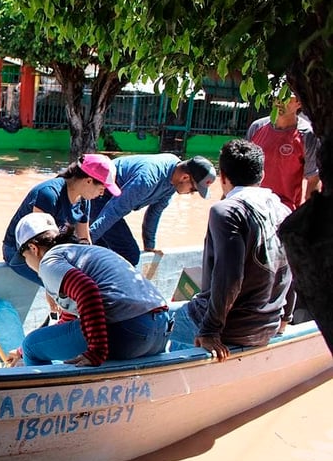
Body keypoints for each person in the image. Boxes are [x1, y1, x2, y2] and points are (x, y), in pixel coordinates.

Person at [169, 139, 294, 362]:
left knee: (169, 322)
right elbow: (293, 268)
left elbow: (229, 277)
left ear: (223, 177)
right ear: (262, 175)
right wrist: (286, 318)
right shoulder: (283, 210)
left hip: (231, 328)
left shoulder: (226, 211)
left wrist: (209, 331)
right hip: (268, 325)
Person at [5, 212, 170, 368]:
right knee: (29, 346)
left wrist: (96, 351)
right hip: (160, 331)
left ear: (34, 248)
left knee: (31, 346)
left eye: (25, 257)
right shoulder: (84, 252)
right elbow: (69, 320)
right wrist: (19, 352)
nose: (27, 263)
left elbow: (87, 290)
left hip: (128, 332)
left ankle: (51, 395)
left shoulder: (49, 262)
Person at [2, 153, 119, 285]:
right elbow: (39, 245)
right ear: (88, 181)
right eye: (102, 189)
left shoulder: (83, 200)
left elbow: (85, 240)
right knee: (68, 286)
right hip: (23, 253)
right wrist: (50, 285)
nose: (102, 194)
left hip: (51, 251)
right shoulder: (49, 194)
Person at [89, 153, 217, 266]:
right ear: (185, 177)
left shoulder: (173, 179)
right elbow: (114, 210)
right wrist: (87, 239)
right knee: (129, 255)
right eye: (194, 189)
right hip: (97, 193)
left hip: (112, 201)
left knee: (103, 251)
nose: (191, 193)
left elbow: (154, 213)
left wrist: (149, 245)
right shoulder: (148, 180)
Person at [245, 90, 321, 211]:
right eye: (277, 97)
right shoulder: (257, 127)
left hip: (284, 210)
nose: (279, 102)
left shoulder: (307, 135)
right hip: (253, 207)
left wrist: (310, 215)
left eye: (286, 98)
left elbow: (313, 179)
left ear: (299, 103)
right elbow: (242, 168)